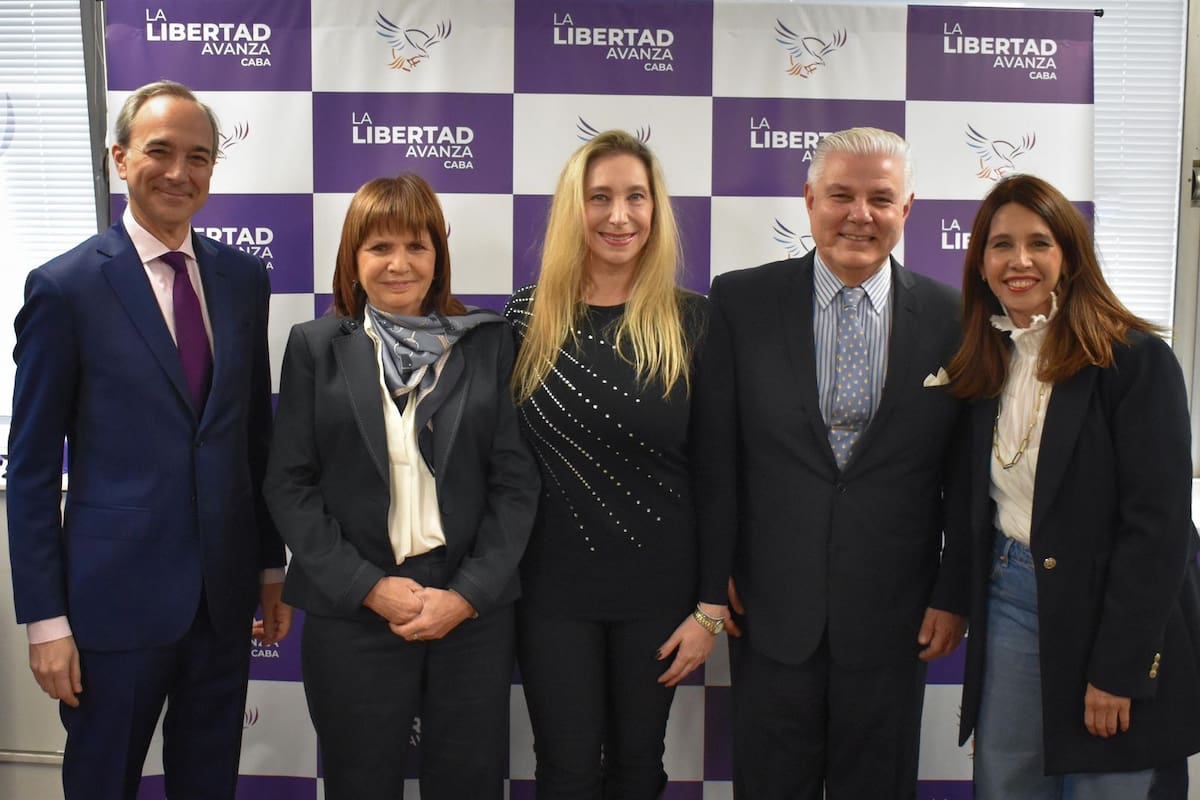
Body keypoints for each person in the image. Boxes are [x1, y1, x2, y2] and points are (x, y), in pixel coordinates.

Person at [6, 79, 290, 799]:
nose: (179, 172)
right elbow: (33, 468)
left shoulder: (242, 279)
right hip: (112, 607)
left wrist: (268, 566)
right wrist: (44, 620)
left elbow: (250, 436)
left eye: (198, 157)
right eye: (159, 151)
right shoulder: (65, 288)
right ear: (119, 159)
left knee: (208, 782)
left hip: (222, 603)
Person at [691, 126, 969, 799]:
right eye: (840, 194)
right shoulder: (740, 301)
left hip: (896, 614)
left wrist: (953, 592)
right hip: (768, 606)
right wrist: (713, 571)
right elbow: (716, 454)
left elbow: (962, 476)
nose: (859, 214)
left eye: (881, 198)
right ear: (810, 199)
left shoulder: (953, 315)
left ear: (907, 210)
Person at [263, 173, 539, 800]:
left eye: (416, 245)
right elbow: (290, 485)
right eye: (378, 247)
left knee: (468, 784)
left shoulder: (488, 341)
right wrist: (370, 588)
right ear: (352, 258)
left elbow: (515, 485)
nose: (398, 264)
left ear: (438, 254)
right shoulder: (315, 346)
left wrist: (466, 594)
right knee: (360, 784)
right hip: (354, 611)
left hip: (470, 611)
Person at [948, 173, 1200, 798]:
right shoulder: (983, 363)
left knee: (1109, 784)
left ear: (1070, 257)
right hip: (1010, 599)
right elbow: (973, 508)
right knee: (1007, 783)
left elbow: (1159, 530)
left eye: (1040, 242)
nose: (1020, 260)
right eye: (1001, 245)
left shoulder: (1135, 361)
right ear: (981, 265)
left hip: (1111, 606)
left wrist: (1119, 670)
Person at [504, 129, 726, 798]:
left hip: (657, 598)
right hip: (548, 597)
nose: (618, 216)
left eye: (636, 196)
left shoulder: (694, 324)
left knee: (636, 769)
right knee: (565, 772)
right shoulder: (524, 319)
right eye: (598, 197)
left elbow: (718, 478)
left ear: (656, 209)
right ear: (575, 209)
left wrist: (710, 606)